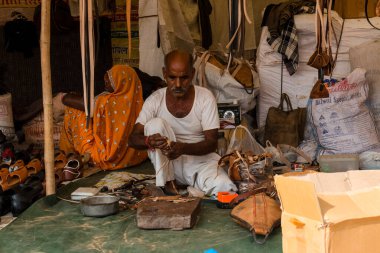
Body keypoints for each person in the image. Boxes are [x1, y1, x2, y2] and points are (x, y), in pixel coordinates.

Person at [128, 50, 237, 195]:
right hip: (168, 165)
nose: (178, 84)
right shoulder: (155, 100)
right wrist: (149, 141)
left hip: (200, 163)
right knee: (155, 124)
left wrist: (183, 148)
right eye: (172, 77)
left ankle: (191, 186)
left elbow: (212, 144)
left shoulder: (205, 97)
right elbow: (132, 139)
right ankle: (168, 182)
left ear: (192, 74)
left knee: (225, 188)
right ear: (164, 74)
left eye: (184, 78)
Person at [59, 65, 147, 170]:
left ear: (121, 81)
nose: (106, 81)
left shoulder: (107, 101)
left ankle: (67, 153)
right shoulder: (140, 102)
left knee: (75, 110)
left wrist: (64, 96)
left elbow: (73, 102)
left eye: (110, 79)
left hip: (105, 157)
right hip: (133, 157)